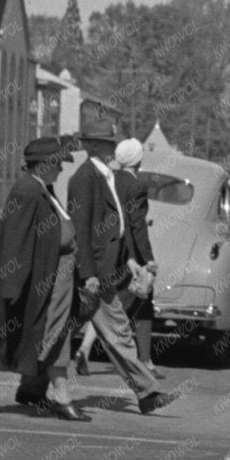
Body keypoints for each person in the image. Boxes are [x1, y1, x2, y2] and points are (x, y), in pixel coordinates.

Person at [0, 137, 83, 418]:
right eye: (57, 164)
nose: (60, 170)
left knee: (22, 335)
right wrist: (12, 285)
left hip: (50, 275)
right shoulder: (27, 191)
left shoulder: (43, 189)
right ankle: (60, 395)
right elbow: (15, 241)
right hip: (34, 279)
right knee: (13, 334)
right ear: (44, 165)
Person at [67, 126, 173, 415]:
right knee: (109, 333)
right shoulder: (86, 178)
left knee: (111, 332)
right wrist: (88, 273)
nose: (113, 147)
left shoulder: (106, 177)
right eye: (107, 143)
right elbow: (82, 229)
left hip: (107, 268)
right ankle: (147, 391)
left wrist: (126, 260)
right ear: (93, 145)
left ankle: (146, 392)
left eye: (113, 143)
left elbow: (116, 227)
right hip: (95, 273)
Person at [112, 136, 160, 370]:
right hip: (133, 254)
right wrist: (148, 258)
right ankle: (143, 358)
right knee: (141, 303)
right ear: (138, 159)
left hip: (113, 249)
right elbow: (137, 224)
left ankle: (86, 348)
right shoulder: (137, 185)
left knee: (113, 302)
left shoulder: (110, 180)